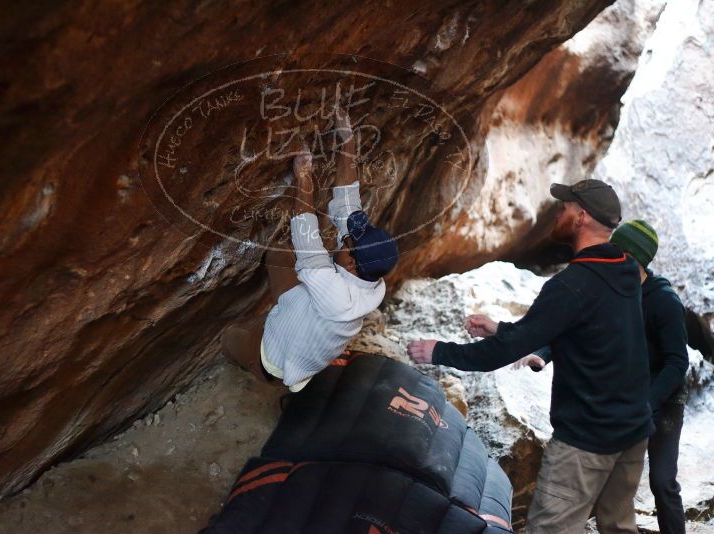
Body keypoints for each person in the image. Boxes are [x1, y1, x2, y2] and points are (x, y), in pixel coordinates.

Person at [407, 179, 654, 534]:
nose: (558, 212)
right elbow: (578, 327)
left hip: (587, 441)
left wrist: (438, 351)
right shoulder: (626, 270)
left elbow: (506, 352)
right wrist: (502, 328)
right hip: (632, 432)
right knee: (618, 526)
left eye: (565, 206)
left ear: (581, 216)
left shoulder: (570, 286)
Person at [514, 219, 689, 534]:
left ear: (635, 260)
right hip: (622, 398)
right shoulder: (608, 288)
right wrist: (543, 353)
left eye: (618, 252)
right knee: (613, 493)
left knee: (662, 481)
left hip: (662, 398)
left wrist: (647, 403)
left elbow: (677, 363)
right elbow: (577, 327)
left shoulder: (663, 301)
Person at [222, 106, 399, 391]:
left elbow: (305, 231)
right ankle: (278, 316)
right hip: (308, 307)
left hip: (274, 360)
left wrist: (304, 174)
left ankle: (250, 360)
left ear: (352, 263)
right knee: (280, 254)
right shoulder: (369, 275)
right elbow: (347, 202)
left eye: (347, 242)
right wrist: (348, 140)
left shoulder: (338, 297)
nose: (343, 238)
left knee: (230, 338)